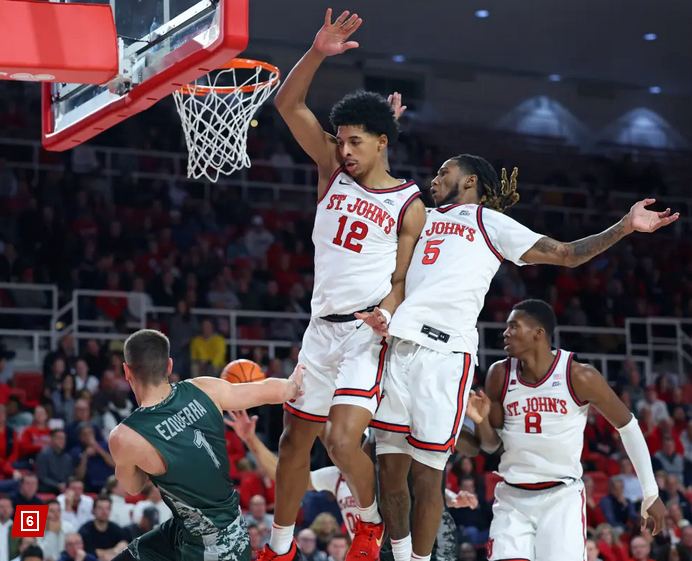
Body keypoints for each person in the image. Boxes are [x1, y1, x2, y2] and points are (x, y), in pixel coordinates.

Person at [358, 152, 677, 561]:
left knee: (426, 471)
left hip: (448, 355)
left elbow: (566, 254)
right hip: (401, 345)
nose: (434, 177)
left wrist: (626, 226)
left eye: (444, 171)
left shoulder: (490, 223)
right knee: (388, 464)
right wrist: (383, 141)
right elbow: (488, 444)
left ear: (471, 181)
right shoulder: (420, 218)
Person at [266, 10, 426, 561]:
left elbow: (405, 278)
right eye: (342, 141)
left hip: (365, 333)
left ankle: (369, 523)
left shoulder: (410, 204)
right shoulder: (331, 171)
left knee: (339, 440)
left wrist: (388, 309)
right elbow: (289, 105)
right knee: (292, 444)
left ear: (382, 142)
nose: (346, 151)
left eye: (357, 142)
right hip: (319, 330)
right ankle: (280, 548)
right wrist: (316, 53)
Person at [473, 300, 665, 561]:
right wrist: (481, 421)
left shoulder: (579, 376)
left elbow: (628, 426)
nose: (505, 333)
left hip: (561, 499)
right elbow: (491, 446)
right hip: (512, 498)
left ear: (538, 333)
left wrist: (650, 492)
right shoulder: (499, 374)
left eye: (513, 326)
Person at [107, 329, 304, 561]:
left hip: (218, 545)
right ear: (169, 366)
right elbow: (275, 390)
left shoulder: (125, 437)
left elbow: (133, 486)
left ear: (127, 371)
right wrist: (295, 383)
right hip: (189, 528)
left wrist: (149, 459)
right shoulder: (205, 388)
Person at [226, 409, 478, 559]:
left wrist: (451, 496)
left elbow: (418, 487)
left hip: (397, 550)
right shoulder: (336, 476)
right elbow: (286, 474)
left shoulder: (385, 472)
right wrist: (251, 440)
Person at [36, 430, 73, 495]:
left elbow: (69, 476)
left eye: (64, 439)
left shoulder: (67, 458)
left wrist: (66, 484)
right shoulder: (44, 455)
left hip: (64, 490)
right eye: (59, 438)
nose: (62, 441)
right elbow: (42, 477)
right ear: (52, 439)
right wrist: (57, 485)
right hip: (47, 490)